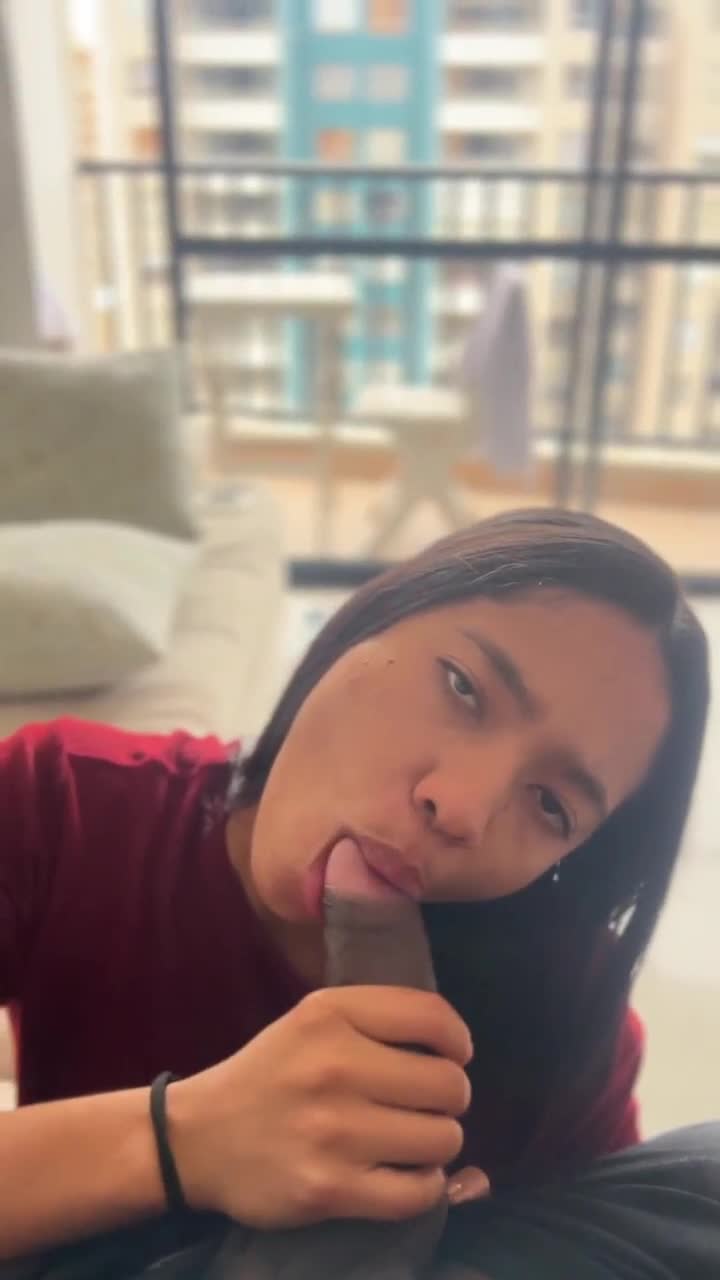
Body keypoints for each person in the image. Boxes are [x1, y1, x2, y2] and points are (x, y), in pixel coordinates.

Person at [0, 508, 710, 1265]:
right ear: (368, 619)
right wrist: (186, 1139)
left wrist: (485, 1244)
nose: (461, 807)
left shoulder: (567, 1016)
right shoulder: (65, 802)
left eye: (551, 806)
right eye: (463, 688)